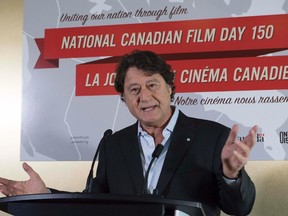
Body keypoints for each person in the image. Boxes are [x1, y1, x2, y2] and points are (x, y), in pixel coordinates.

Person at [0, 50, 257, 216]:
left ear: (170, 87)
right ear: (124, 98)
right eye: (134, 90)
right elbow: (93, 206)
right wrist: (45, 197)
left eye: (152, 85)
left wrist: (231, 175)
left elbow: (239, 208)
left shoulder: (213, 137)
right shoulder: (114, 145)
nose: (144, 97)